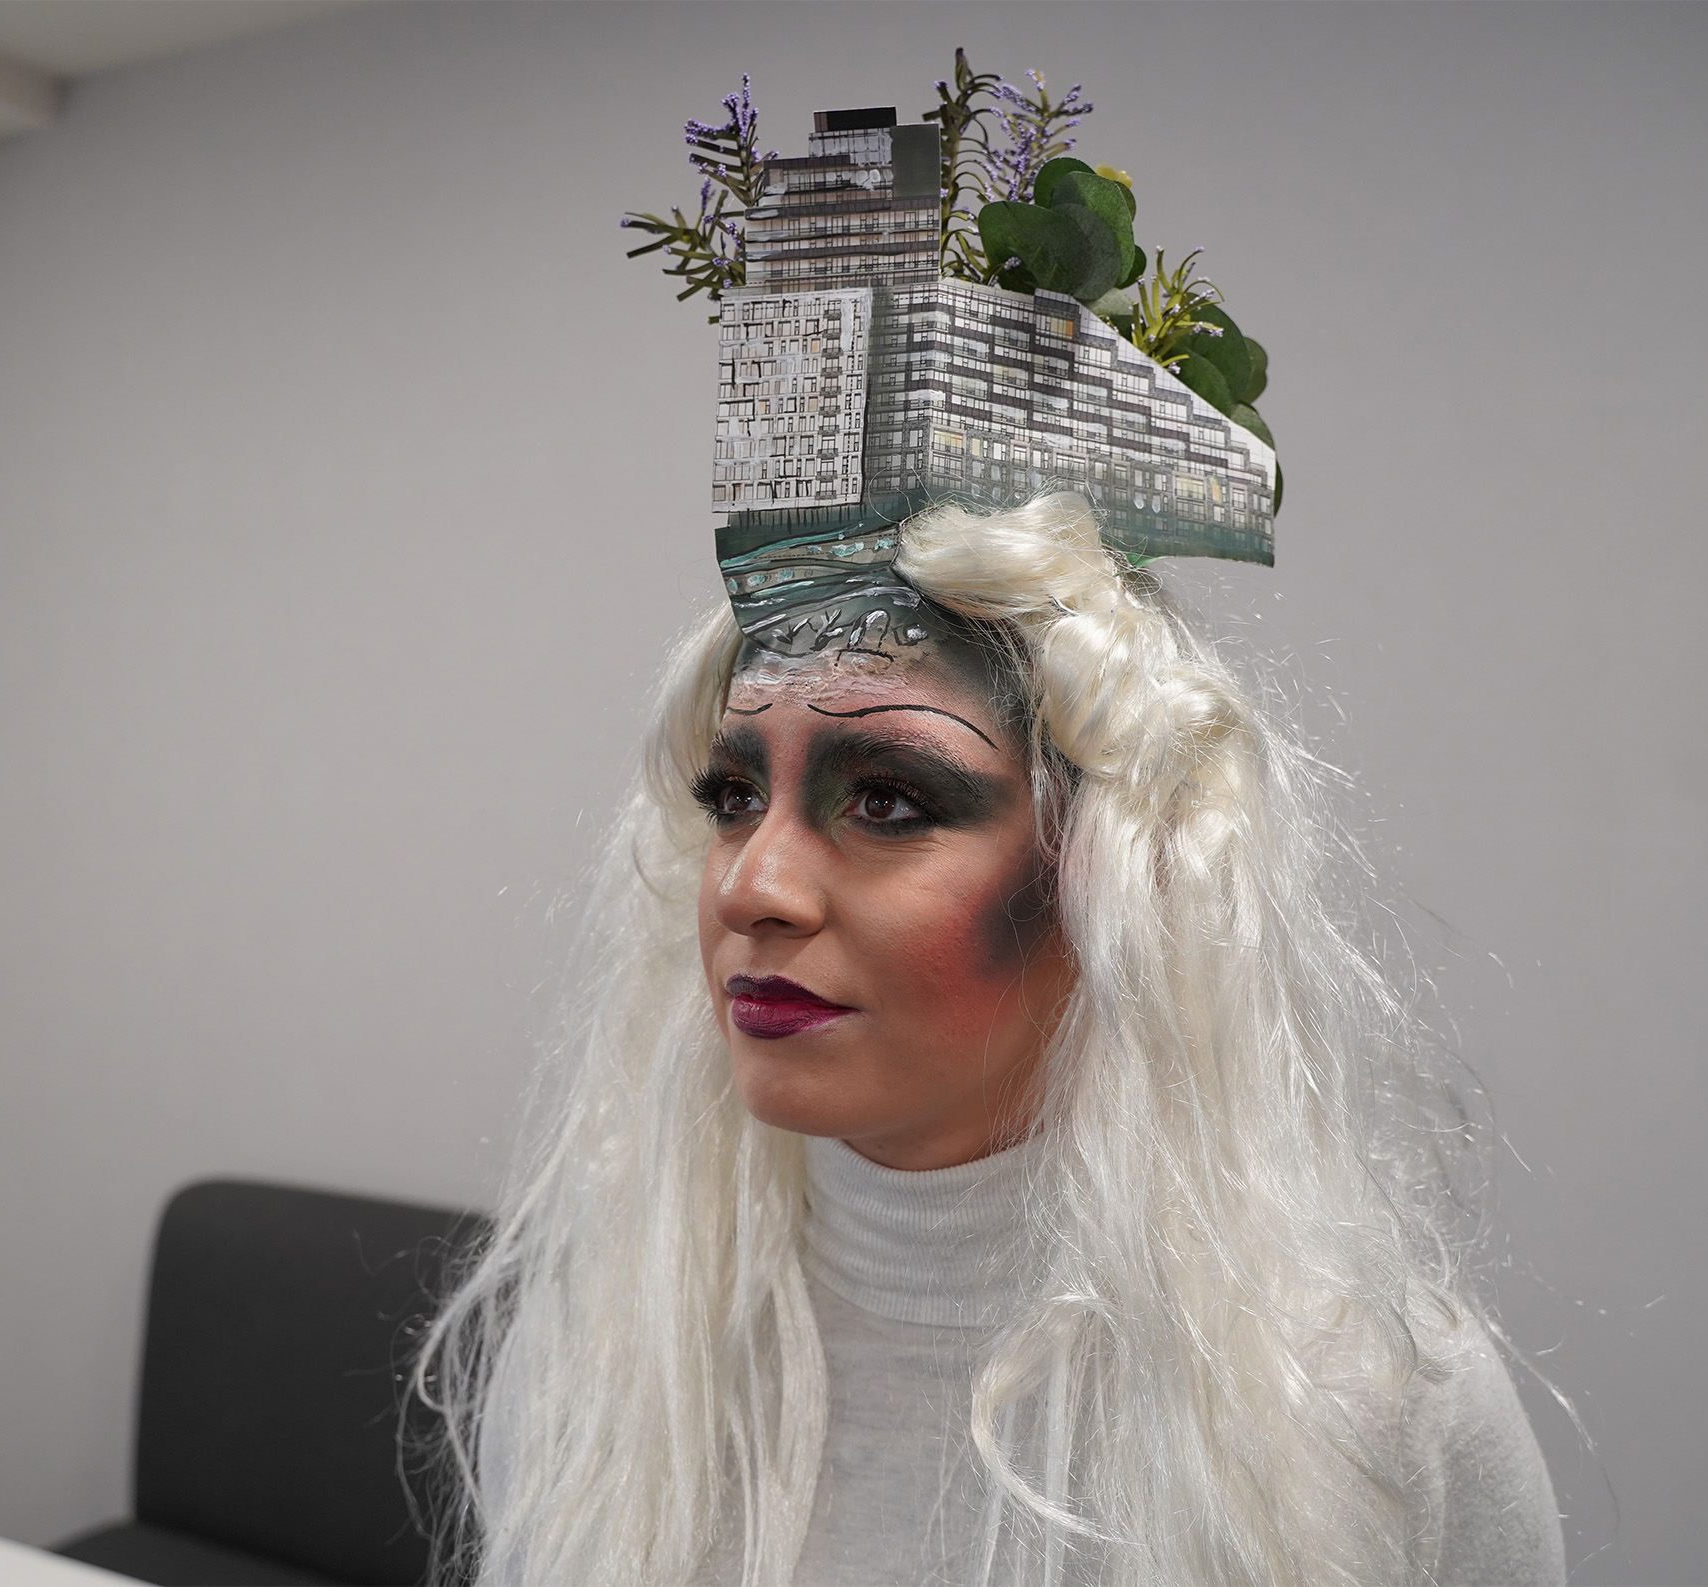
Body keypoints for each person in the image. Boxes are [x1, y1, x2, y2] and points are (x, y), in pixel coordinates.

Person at [413, 74, 1565, 1587]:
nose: (754, 884)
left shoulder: (1370, 1409)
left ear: (1113, 869)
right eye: (733, 794)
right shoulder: (611, 1350)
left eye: (888, 800)